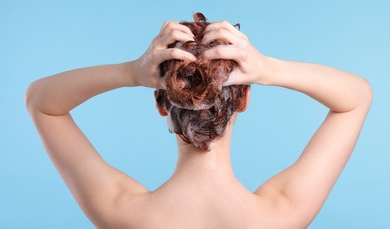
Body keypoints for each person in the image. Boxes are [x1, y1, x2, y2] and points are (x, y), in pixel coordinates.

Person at [25, 12, 372, 228]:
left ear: (162, 102)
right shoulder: (281, 214)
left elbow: (41, 101)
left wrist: (131, 72)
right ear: (244, 101)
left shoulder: (122, 212)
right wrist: (268, 69)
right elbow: (356, 97)